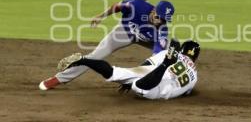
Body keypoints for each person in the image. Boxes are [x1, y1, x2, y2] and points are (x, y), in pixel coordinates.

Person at [39, 0, 175, 90]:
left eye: (163, 20)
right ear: (153, 10)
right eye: (158, 17)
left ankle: (173, 83)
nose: (159, 21)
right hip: (124, 33)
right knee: (94, 57)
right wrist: (101, 16)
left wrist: (154, 70)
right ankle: (59, 79)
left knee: (170, 53)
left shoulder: (161, 30)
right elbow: (117, 7)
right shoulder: (137, 6)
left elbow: (157, 55)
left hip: (147, 40)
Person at [42, 39, 200, 100]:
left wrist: (128, 77)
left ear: (182, 51)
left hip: (149, 72)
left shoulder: (169, 52)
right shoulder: (195, 75)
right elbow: (185, 92)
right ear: (195, 57)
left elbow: (147, 65)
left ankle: (84, 60)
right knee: (140, 87)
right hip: (160, 87)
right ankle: (166, 65)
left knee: (114, 72)